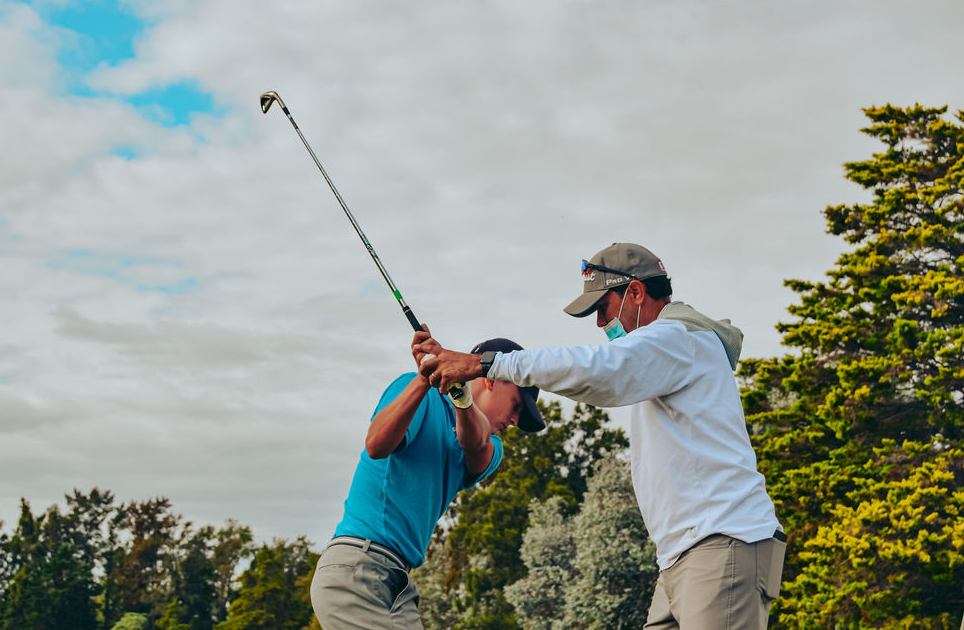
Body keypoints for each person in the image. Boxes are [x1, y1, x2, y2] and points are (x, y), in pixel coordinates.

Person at [416, 242, 786, 630]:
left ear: (636, 292)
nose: (599, 323)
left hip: (723, 541)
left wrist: (484, 364)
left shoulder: (677, 338)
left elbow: (596, 369)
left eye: (602, 308)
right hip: (684, 555)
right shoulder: (665, 352)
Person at [310, 329, 544, 630]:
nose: (515, 421)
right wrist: (424, 377)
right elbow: (376, 446)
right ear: (492, 379)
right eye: (517, 406)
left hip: (398, 582)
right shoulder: (419, 394)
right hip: (358, 567)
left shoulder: (492, 446)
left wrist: (461, 399)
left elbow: (473, 443)